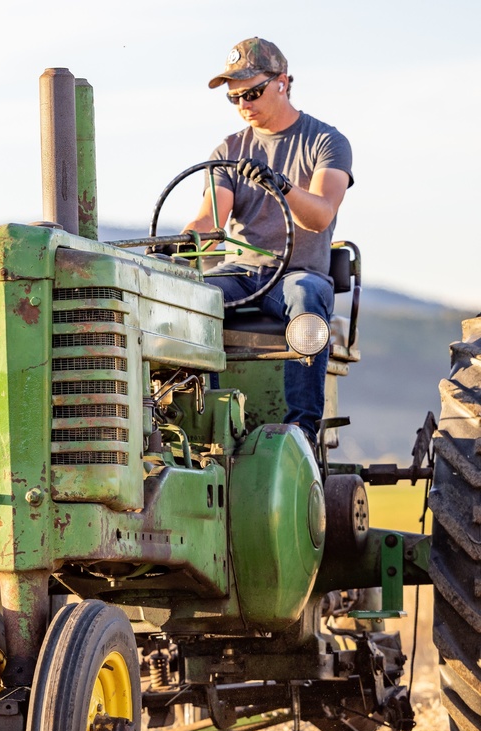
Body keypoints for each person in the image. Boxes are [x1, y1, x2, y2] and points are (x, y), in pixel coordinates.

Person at [182, 37, 353, 445]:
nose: (244, 104)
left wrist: (282, 186)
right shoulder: (230, 149)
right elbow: (211, 218)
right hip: (242, 274)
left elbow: (320, 215)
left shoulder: (325, 142)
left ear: (283, 82)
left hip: (297, 274)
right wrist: (183, 240)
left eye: (252, 92)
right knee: (191, 297)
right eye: (234, 97)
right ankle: (204, 422)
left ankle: (301, 430)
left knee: (308, 296)